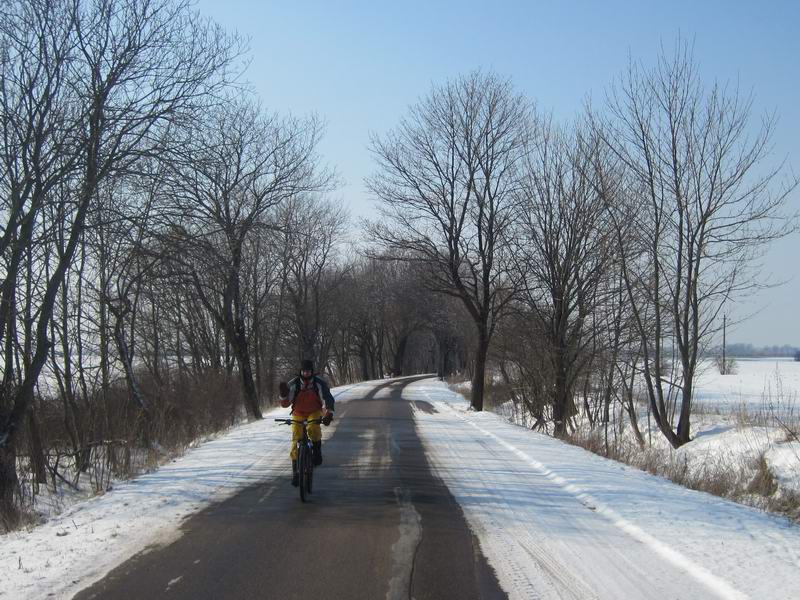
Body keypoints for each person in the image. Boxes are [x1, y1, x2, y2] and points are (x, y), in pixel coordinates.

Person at [279, 359, 335, 486]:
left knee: (313, 428)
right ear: (300, 371)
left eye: (308, 371)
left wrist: (329, 413)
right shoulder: (293, 384)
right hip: (298, 413)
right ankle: (296, 474)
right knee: (295, 439)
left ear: (312, 372)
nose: (305, 374)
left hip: (314, 411)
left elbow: (328, 399)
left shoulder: (319, 384)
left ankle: (317, 452)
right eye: (303, 371)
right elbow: (285, 404)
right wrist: (283, 396)